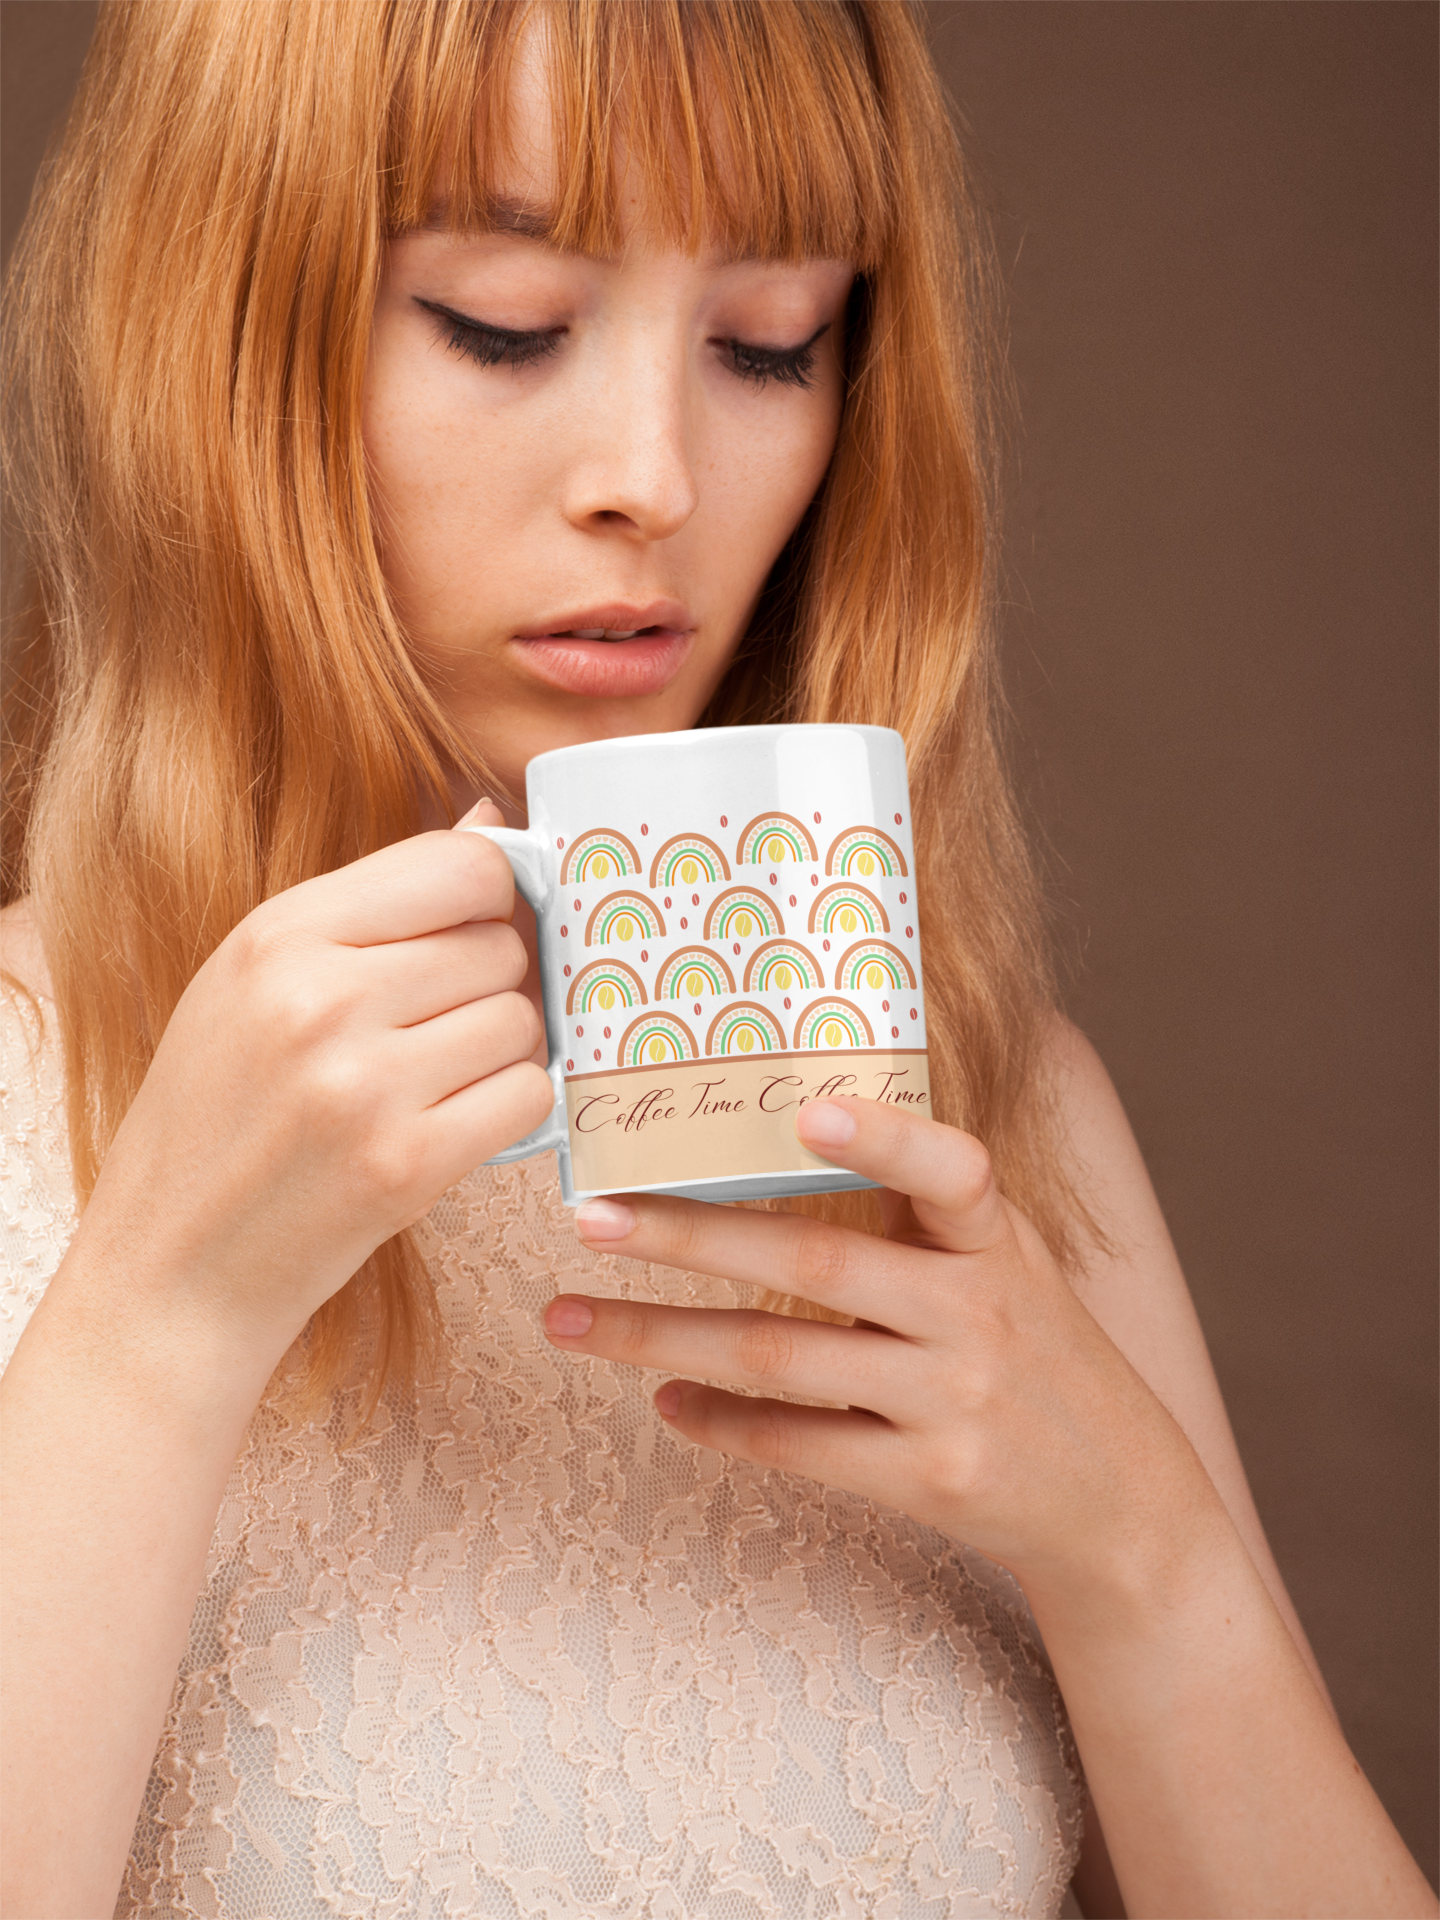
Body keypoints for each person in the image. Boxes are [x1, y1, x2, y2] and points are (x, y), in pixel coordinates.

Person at [0, 0, 1431, 1915]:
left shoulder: (992, 1108)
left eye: (774, 343)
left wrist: (1146, 1554)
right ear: (213, 334)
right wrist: (149, 1339)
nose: (654, 479)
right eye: (502, 321)